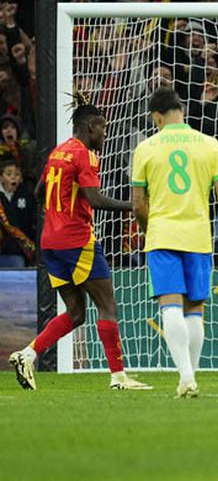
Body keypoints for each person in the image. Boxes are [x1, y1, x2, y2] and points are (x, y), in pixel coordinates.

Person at [8, 94, 151, 391]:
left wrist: (59, 211)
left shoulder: (58, 153)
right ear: (89, 128)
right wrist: (134, 206)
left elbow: (38, 194)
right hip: (77, 240)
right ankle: (119, 377)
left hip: (51, 241)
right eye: (102, 128)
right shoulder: (85, 154)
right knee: (107, 305)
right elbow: (94, 199)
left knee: (75, 314)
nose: (104, 134)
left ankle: (27, 354)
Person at [132, 87, 218, 398]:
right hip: (199, 237)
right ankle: (191, 375)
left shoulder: (146, 147)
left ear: (157, 117)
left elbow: (138, 204)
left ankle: (185, 375)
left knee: (170, 304)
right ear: (181, 112)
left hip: (162, 235)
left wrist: (148, 228)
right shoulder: (209, 145)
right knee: (195, 308)